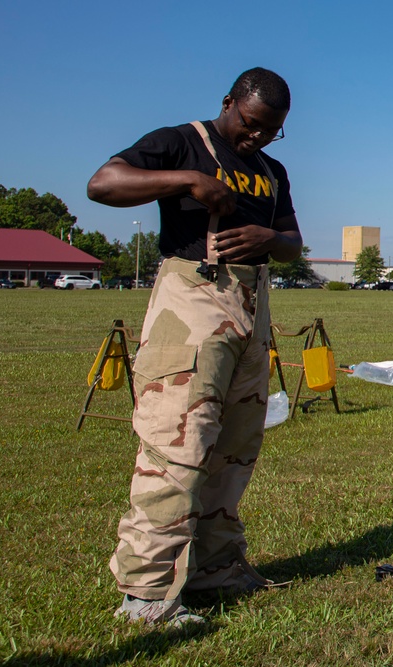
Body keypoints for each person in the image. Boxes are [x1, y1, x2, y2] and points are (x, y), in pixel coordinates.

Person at [87, 67, 303, 626]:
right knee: (176, 446)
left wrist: (268, 239)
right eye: (251, 125)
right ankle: (148, 594)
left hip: (253, 306)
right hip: (193, 301)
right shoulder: (180, 142)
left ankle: (217, 569)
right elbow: (103, 183)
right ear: (229, 102)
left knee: (234, 449)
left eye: (270, 131)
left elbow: (292, 244)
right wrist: (185, 180)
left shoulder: (270, 170)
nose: (256, 139)